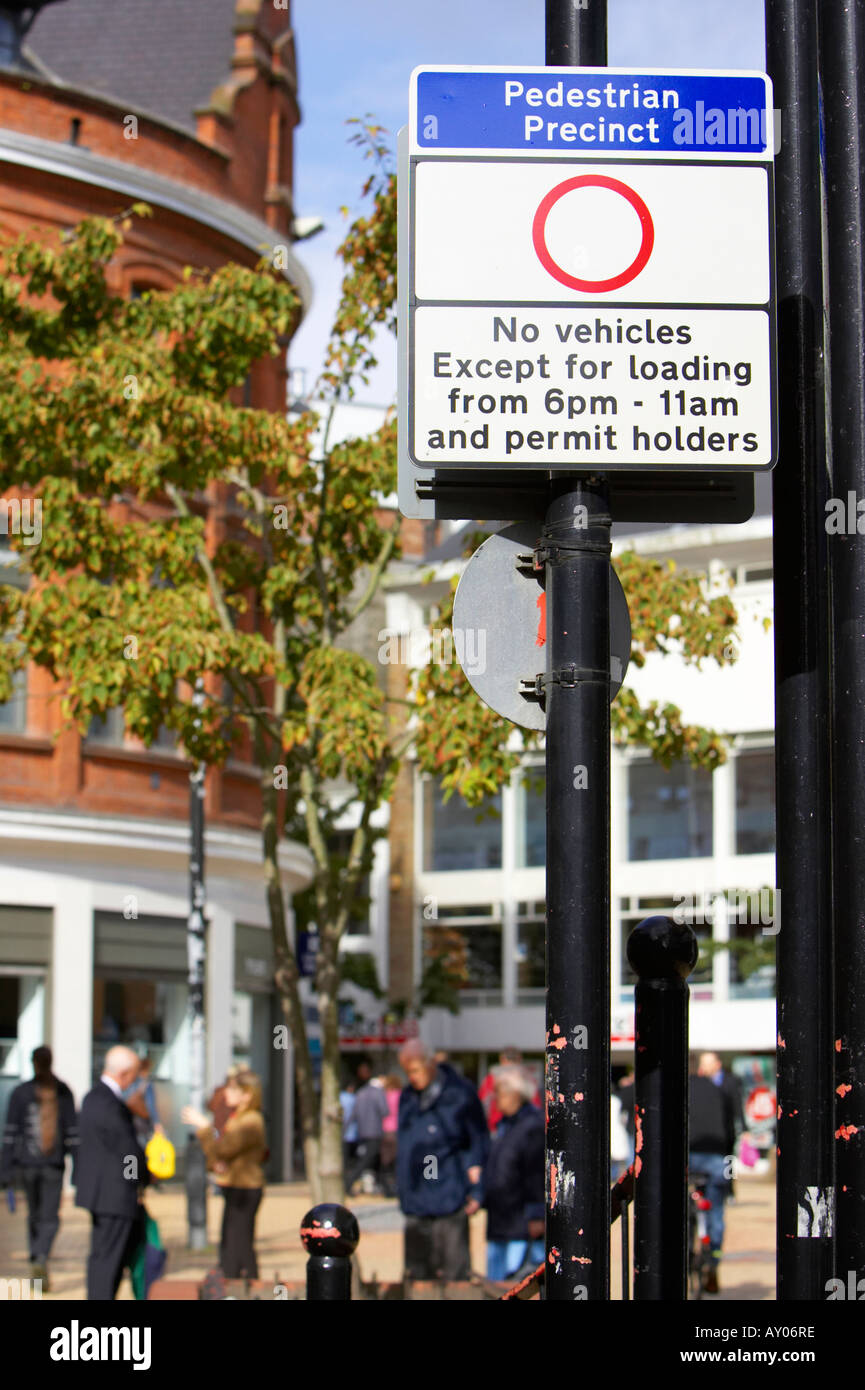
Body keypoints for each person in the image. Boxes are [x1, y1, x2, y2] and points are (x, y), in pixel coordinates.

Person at [397, 1039, 489, 1281]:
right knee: (417, 1278)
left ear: (430, 1064)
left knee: (454, 1276)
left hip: (450, 1197)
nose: (411, 1077)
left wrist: (477, 1189)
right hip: (416, 1203)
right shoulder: (408, 1097)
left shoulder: (460, 1093)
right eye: (406, 1072)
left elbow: (478, 1140)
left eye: (415, 1070)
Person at [0, 1045, 78, 1290]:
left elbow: (10, 1135)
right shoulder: (60, 1091)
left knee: (35, 1216)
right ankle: (40, 1257)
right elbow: (73, 1135)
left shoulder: (23, 1092)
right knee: (49, 1217)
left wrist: (6, 1170)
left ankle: (37, 1257)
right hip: (51, 1165)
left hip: (29, 1165)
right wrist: (79, 1168)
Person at [75, 1045, 149, 1300]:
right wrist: (138, 1181)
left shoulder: (94, 1097)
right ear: (125, 1073)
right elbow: (127, 1151)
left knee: (107, 1256)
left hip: (103, 1193)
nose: (137, 1080)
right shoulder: (108, 1102)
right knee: (107, 1260)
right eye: (136, 1074)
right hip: (114, 1196)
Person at [183, 1068, 266, 1280]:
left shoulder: (251, 1121)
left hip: (246, 1189)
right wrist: (215, 1161)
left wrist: (204, 1127)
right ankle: (232, 1282)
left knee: (240, 1243)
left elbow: (223, 1149)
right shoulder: (238, 1117)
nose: (226, 1093)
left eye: (232, 1089)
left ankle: (247, 1285)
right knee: (230, 1242)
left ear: (247, 1094)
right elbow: (218, 1155)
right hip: (235, 1186)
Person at [482, 1065, 544, 1281]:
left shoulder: (532, 1126)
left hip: (520, 1225)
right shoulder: (505, 1125)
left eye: (499, 1092)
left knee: (517, 1283)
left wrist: (537, 1214)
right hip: (500, 1220)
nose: (495, 1098)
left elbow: (536, 1173)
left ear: (515, 1094)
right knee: (496, 1283)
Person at [689, 1055, 737, 1294]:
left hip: (689, 1156)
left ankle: (687, 1250)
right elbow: (731, 1129)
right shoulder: (721, 1090)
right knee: (716, 1211)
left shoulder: (683, 1088)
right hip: (717, 1157)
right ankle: (714, 1264)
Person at [346, 1069, 390, 1196]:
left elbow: (354, 1114)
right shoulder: (378, 1093)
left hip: (362, 1131)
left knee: (377, 1161)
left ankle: (387, 1189)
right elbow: (384, 1111)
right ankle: (349, 1183)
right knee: (366, 1160)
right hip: (375, 1131)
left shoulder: (361, 1092)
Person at [478, 1048, 540, 1132]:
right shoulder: (527, 1079)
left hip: (495, 1125)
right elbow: (535, 1104)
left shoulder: (492, 1079)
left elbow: (483, 1103)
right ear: (519, 1059)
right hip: (522, 1125)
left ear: (502, 1059)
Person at [379, 1074, 402, 1199]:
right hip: (397, 1130)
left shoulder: (384, 1095)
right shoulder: (400, 1095)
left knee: (385, 1162)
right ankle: (397, 1187)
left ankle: (386, 1188)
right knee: (397, 1162)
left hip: (384, 1131)